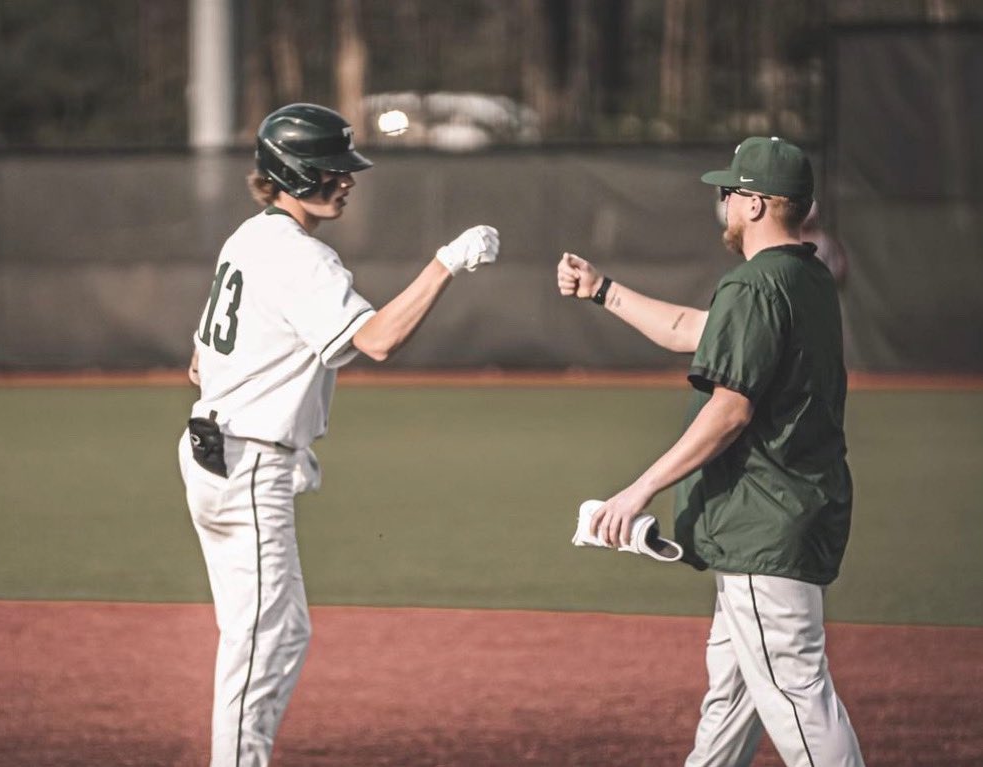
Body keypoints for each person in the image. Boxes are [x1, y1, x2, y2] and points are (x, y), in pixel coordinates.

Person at [178, 102, 499, 767]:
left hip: (212, 451)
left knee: (277, 629)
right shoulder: (301, 257)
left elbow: (199, 361)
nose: (347, 180)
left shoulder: (246, 237)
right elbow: (377, 340)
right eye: (332, 169)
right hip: (246, 464)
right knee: (264, 636)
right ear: (295, 173)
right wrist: (445, 264)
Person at [557, 136, 864, 767]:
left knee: (798, 697)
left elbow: (730, 410)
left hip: (763, 519)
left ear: (754, 204)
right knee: (731, 701)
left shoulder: (754, 285)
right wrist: (602, 290)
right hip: (790, 510)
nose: (722, 202)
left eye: (729, 192)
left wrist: (638, 489)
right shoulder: (804, 278)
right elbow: (686, 329)